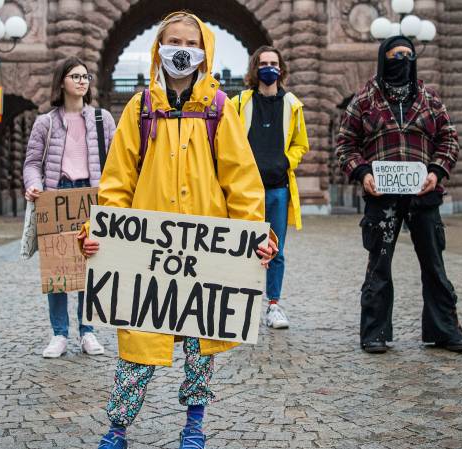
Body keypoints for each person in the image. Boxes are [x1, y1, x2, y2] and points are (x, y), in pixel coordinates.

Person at [78, 12, 278, 449]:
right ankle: (117, 429)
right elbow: (117, 181)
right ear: (159, 48)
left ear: (204, 51)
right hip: (145, 255)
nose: (181, 48)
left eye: (191, 41)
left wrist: (254, 235)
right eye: (173, 40)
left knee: (199, 350)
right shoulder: (140, 107)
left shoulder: (218, 108)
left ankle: (194, 425)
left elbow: (241, 182)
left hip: (205, 254)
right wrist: (104, 234)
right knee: (136, 351)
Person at [336, 35, 462, 354]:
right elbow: (345, 143)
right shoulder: (365, 99)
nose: (403, 61)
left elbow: (449, 140)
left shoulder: (429, 99)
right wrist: (362, 172)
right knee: (379, 266)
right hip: (382, 199)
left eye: (409, 55)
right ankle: (375, 332)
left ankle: (444, 329)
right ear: (384, 59)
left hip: (424, 196)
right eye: (397, 55)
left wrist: (436, 171)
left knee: (434, 265)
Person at [23, 57, 116, 358]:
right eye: (74, 76)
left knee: (91, 268)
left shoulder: (103, 120)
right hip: (57, 195)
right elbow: (32, 163)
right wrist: (33, 184)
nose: (81, 81)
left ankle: (88, 331)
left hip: (92, 197)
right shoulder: (45, 123)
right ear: (61, 82)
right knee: (58, 271)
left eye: (85, 76)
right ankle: (59, 334)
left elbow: (116, 164)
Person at [230, 45, 309, 329]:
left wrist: (285, 161)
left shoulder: (293, 104)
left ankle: (274, 305)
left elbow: (302, 144)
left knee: (275, 249)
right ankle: (242, 305)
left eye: (274, 63)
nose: (269, 68)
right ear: (255, 68)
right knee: (243, 247)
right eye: (263, 63)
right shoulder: (239, 103)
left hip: (277, 187)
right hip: (246, 190)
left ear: (281, 68)